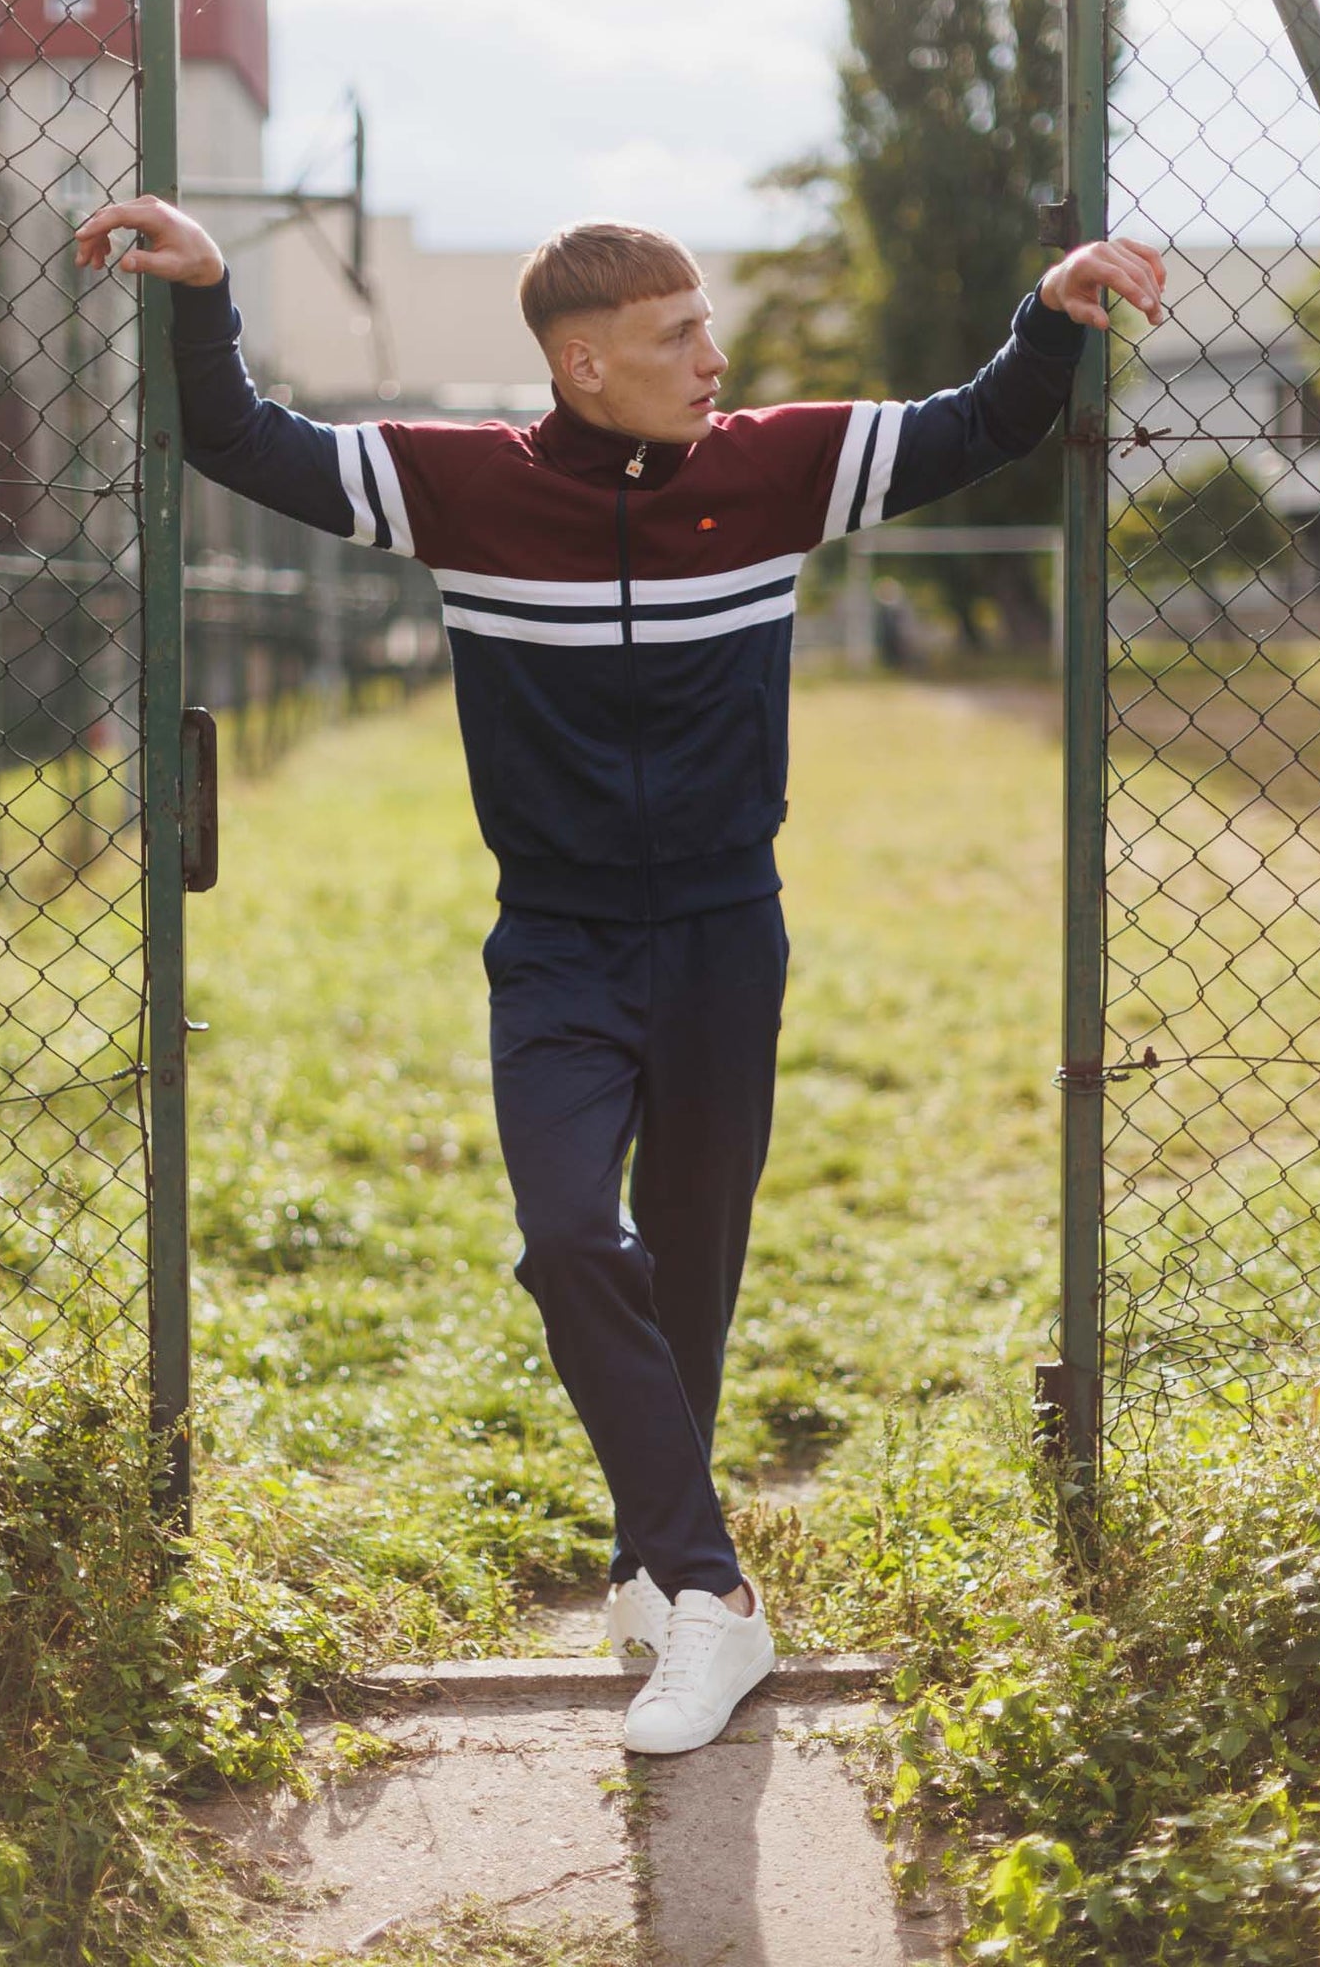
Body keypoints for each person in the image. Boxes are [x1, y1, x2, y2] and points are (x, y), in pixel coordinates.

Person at [75, 196, 1165, 1755]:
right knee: (573, 1236)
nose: (713, 357)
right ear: (580, 364)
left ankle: (651, 1565)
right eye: (677, 336)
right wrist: (203, 291)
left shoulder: (771, 466)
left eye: (706, 323)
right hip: (557, 946)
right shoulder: (464, 490)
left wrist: (1050, 308)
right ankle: (714, 1595)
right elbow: (242, 441)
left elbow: (981, 423)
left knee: (694, 1271)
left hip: (727, 935)